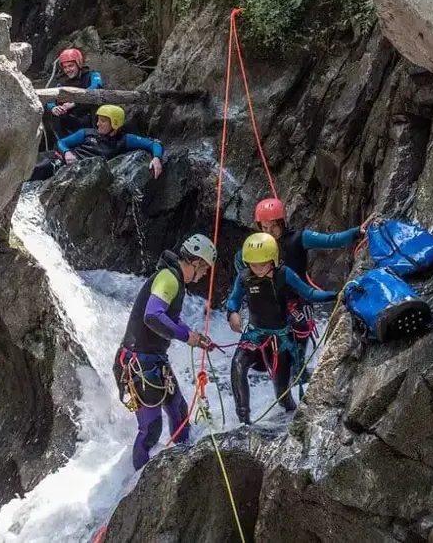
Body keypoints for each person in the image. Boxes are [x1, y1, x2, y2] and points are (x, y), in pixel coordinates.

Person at [112, 234, 218, 470]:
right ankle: (138, 485)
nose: (204, 276)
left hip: (154, 362)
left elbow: (167, 321)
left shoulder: (174, 281)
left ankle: (182, 468)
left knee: (179, 412)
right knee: (151, 429)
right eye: (205, 270)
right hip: (139, 363)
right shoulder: (168, 278)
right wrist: (186, 336)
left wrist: (195, 337)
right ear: (198, 262)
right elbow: (153, 316)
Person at [235, 198, 365, 369]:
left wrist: (357, 231)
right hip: (272, 302)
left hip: (299, 299)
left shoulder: (299, 238)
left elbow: (331, 240)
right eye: (264, 228)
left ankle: (299, 371)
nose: (270, 232)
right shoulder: (257, 245)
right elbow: (241, 263)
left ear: (282, 222)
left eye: (273, 226)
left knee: (298, 343)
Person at [227, 233, 338, 425]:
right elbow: (234, 299)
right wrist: (232, 313)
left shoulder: (284, 274)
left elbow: (309, 293)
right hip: (254, 335)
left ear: (273, 260)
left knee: (282, 395)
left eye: (262, 264)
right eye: (253, 264)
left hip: (280, 340)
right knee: (238, 365)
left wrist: (336, 295)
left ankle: (293, 415)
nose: (257, 269)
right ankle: (244, 422)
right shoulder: (244, 277)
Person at [28, 104, 163, 181]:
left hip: (81, 172)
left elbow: (154, 143)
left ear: (115, 123)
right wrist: (67, 152)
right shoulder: (86, 133)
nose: (98, 124)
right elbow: (61, 143)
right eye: (98, 120)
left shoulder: (125, 140)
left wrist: (157, 158)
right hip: (62, 160)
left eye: (103, 121)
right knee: (39, 168)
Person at [43, 48, 104, 138]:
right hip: (70, 123)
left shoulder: (93, 75)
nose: (67, 70)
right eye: (65, 67)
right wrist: (53, 108)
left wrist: (74, 103)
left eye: (70, 66)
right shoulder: (61, 82)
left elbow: (96, 87)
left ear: (79, 64)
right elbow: (50, 98)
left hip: (91, 121)